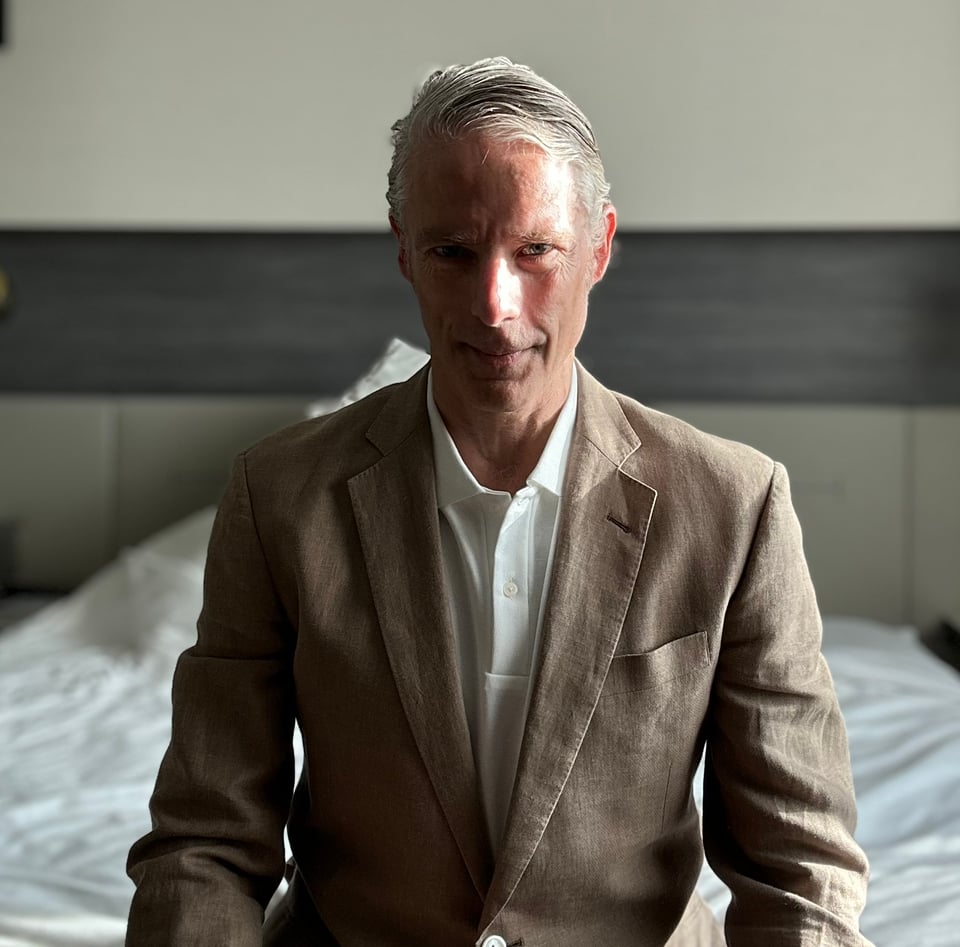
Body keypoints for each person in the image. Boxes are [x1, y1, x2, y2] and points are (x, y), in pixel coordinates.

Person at [126, 57, 872, 946]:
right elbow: (205, 844)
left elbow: (800, 875)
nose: (494, 302)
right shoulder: (279, 495)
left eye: (536, 251)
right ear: (404, 249)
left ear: (598, 247)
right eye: (452, 251)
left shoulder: (735, 507)